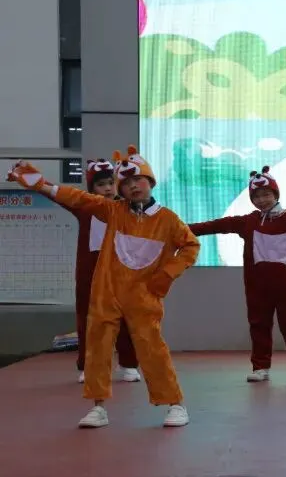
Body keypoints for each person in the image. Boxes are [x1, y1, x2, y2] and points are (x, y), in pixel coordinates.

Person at [6, 145, 200, 428]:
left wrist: (166, 275)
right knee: (97, 348)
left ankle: (175, 403)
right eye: (126, 182)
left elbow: (191, 246)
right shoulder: (112, 210)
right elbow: (78, 198)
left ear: (150, 181)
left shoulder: (168, 219)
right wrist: (40, 184)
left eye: (138, 179)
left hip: (143, 296)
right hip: (106, 293)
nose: (133, 186)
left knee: (152, 348)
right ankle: (98, 407)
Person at [188, 166, 286, 383]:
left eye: (266, 194)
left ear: (276, 194)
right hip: (256, 285)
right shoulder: (248, 221)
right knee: (259, 325)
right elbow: (216, 225)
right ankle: (260, 367)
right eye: (256, 196)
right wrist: (181, 229)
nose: (262, 200)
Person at [51, 159, 140, 384]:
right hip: (89, 273)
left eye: (111, 183)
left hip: (120, 271)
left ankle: (128, 363)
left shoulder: (128, 207)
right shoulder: (84, 206)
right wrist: (34, 182)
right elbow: (59, 194)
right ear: (92, 188)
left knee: (126, 318)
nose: (108, 188)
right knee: (88, 320)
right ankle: (88, 365)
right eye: (101, 184)